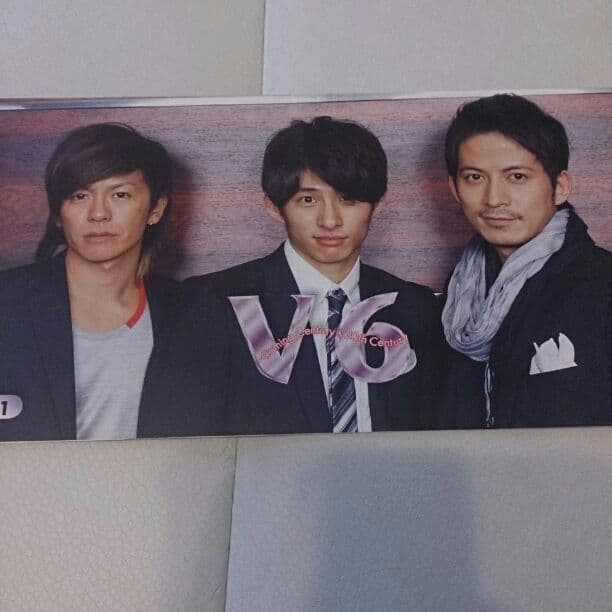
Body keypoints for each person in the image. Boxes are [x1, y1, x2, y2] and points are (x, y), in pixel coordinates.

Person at [146, 116, 443, 434]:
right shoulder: (212, 304)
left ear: (378, 205)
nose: (330, 220)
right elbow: (175, 441)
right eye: (308, 200)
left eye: (348, 199)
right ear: (274, 207)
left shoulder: (413, 306)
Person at [440, 94, 612, 428]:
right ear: (454, 188)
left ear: (560, 187)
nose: (494, 199)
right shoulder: (457, 292)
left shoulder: (602, 286)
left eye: (517, 177)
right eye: (475, 177)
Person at [0, 123, 180, 441]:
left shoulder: (189, 314)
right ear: (58, 213)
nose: (98, 214)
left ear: (156, 210)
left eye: (120, 194)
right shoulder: (8, 302)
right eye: (80, 195)